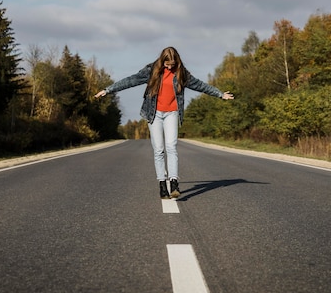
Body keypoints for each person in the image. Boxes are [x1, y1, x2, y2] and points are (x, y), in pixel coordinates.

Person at [95, 46, 234, 199]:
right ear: (162, 61)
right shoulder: (151, 70)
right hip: (154, 114)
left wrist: (220, 94)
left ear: (177, 62)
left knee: (171, 146)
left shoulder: (181, 73)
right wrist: (108, 90)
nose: (169, 67)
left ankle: (174, 182)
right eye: (167, 64)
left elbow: (200, 85)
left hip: (172, 113)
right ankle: (162, 184)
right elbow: (131, 80)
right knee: (159, 149)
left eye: (172, 64)